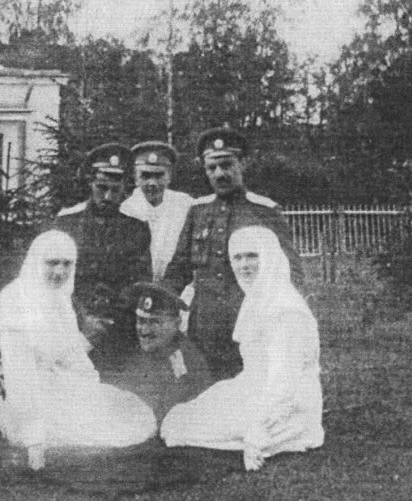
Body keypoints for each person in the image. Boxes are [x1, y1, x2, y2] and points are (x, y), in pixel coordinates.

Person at [0, 230, 157, 471]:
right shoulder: (15, 300)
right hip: (17, 394)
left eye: (67, 264)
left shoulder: (59, 298)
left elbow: (72, 354)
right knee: (93, 432)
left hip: (54, 381)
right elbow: (20, 376)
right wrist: (35, 441)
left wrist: (90, 390)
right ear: (36, 261)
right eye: (52, 263)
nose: (60, 272)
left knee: (121, 415)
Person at [160, 226, 324, 471]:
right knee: (178, 418)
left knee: (182, 428)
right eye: (237, 258)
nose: (244, 265)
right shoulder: (260, 298)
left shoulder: (286, 312)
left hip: (290, 406)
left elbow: (284, 384)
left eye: (252, 256)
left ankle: (268, 434)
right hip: (257, 389)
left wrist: (259, 432)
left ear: (268, 257)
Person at [163, 127, 303, 381]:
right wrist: (160, 307)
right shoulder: (198, 211)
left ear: (243, 164)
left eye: (226, 165)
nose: (219, 174)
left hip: (252, 327)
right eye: (211, 168)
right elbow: (178, 268)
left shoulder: (264, 211)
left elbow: (291, 273)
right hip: (204, 330)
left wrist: (287, 324)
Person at [51, 143, 153, 372]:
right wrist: (83, 318)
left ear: (125, 190)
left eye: (115, 190)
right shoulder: (65, 224)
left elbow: (140, 282)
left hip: (118, 331)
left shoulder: (137, 229)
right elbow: (53, 281)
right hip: (71, 324)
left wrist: (109, 318)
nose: (107, 196)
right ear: (90, 183)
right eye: (101, 187)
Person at [109, 281, 212, 423]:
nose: (144, 331)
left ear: (177, 323)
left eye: (155, 323)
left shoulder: (184, 362)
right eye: (141, 321)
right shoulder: (145, 350)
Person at [120, 141, 194, 281]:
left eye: (158, 175)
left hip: (177, 285)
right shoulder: (126, 209)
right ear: (135, 178)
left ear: (169, 177)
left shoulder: (184, 204)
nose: (152, 183)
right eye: (145, 176)